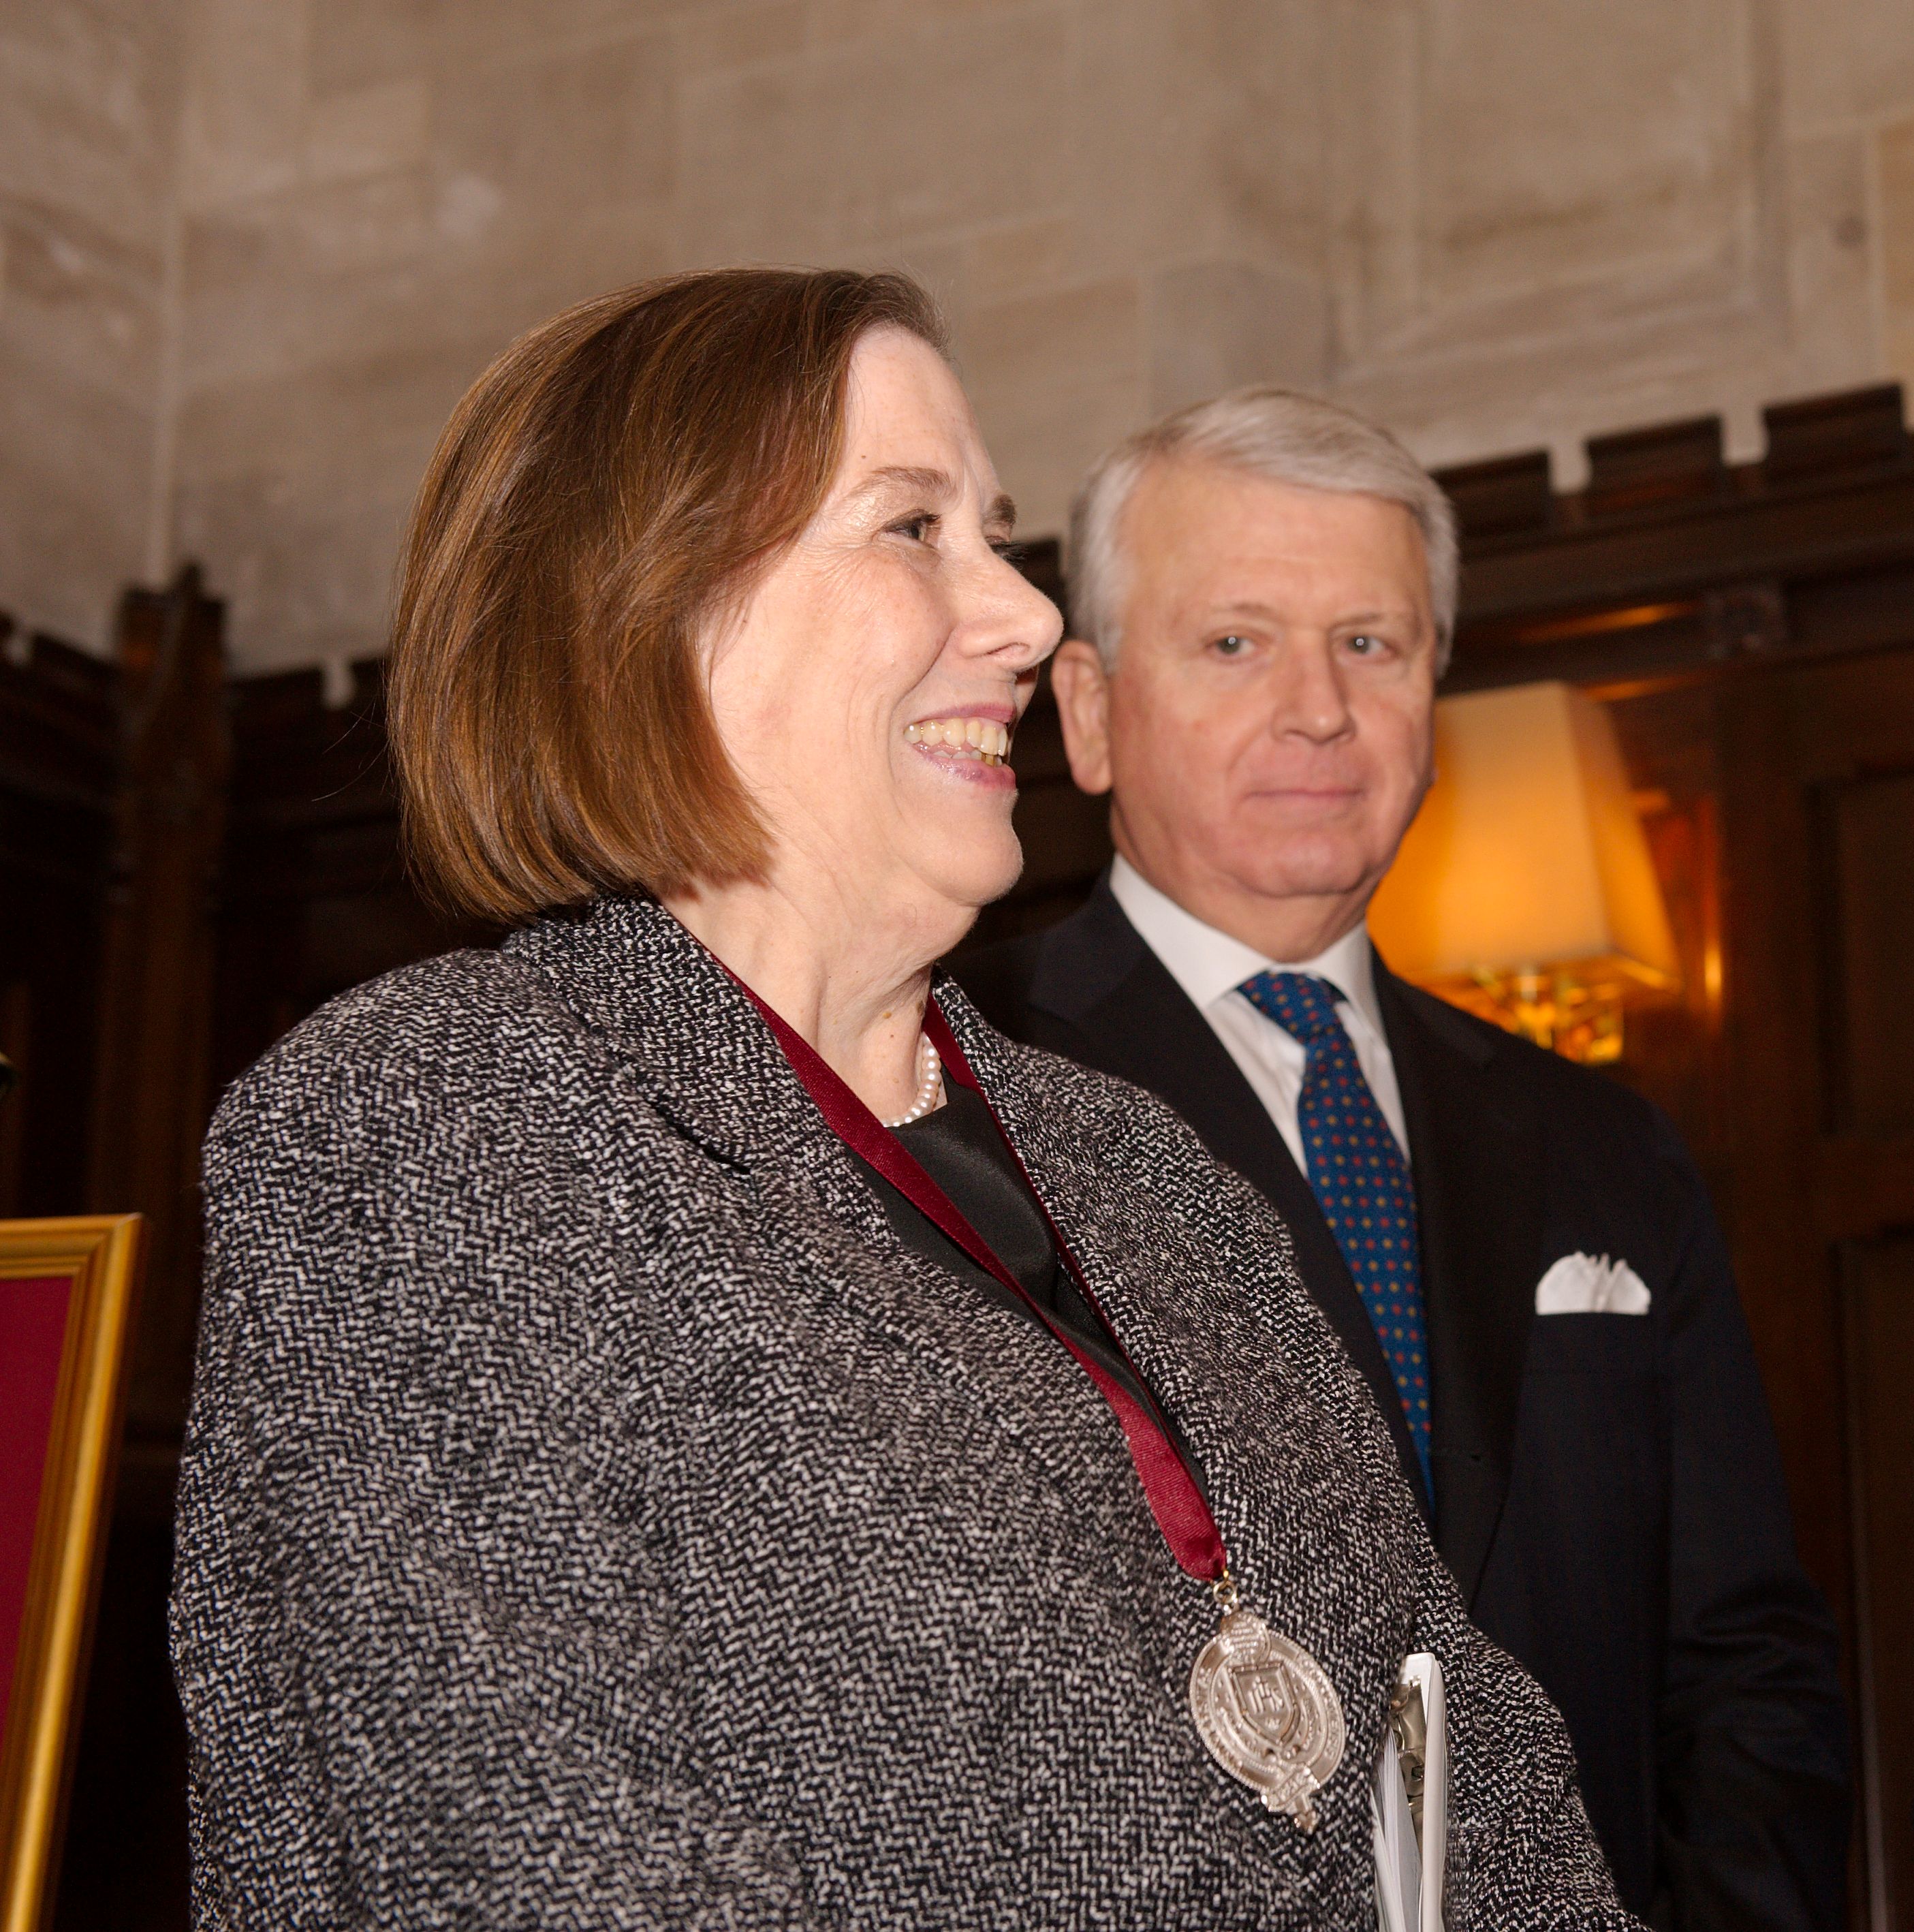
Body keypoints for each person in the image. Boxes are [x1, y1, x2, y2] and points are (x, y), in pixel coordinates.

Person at [170, 269, 1637, 1929]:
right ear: (646, 614)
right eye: (911, 528)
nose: (1020, 616)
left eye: (993, 530)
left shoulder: (1148, 1169)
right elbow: (514, 1858)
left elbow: (1485, 1778)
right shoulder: (427, 1129)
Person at [955, 388, 1852, 1928]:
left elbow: (1745, 1656)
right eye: (1235, 641)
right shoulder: (965, 1090)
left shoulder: (1598, 1142)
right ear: (1089, 713)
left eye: (1369, 643)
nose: (1318, 705)